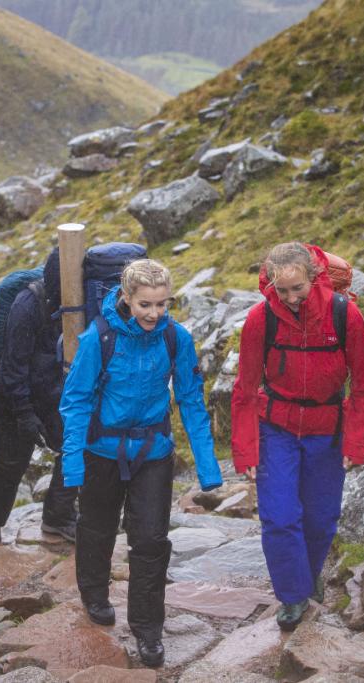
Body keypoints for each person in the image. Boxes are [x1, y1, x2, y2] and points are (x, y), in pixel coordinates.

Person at [60, 259, 222, 668]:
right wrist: (73, 465)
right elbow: (76, 400)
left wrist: (208, 467)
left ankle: (148, 630)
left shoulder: (175, 338)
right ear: (127, 298)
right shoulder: (100, 338)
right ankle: (94, 593)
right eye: (145, 304)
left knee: (151, 541)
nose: (154, 313)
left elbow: (190, 398)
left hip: (153, 453)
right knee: (96, 529)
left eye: (162, 304)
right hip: (102, 453)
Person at [231, 242, 364, 631]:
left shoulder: (345, 315)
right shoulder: (262, 319)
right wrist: (246, 451)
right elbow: (245, 388)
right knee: (279, 516)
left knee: (321, 518)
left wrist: (356, 443)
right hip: (276, 428)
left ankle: (307, 577)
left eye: (298, 289)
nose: (291, 298)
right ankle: (293, 597)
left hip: (327, 430)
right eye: (282, 291)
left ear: (314, 279)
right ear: (271, 286)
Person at [0, 248, 78, 545]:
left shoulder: (82, 305)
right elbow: (12, 368)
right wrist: (24, 413)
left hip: (56, 393)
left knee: (74, 448)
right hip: (15, 396)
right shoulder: (27, 304)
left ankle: (58, 517)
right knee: (10, 463)